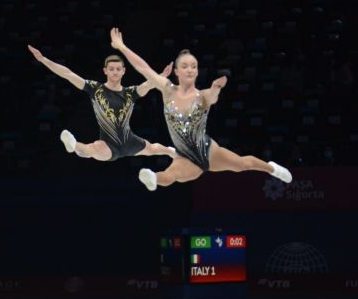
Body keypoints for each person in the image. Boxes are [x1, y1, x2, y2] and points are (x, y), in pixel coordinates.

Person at [108, 28, 292, 191]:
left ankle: (272, 168)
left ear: (196, 71)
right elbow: (144, 68)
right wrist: (122, 47)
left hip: (209, 150)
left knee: (243, 164)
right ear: (177, 72)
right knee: (170, 175)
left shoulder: (202, 95)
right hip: (185, 156)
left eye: (193, 66)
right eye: (185, 66)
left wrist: (215, 89)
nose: (190, 69)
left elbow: (212, 98)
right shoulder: (167, 89)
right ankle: (152, 178)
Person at [27, 45, 177, 161]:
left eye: (118, 69)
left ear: (124, 71)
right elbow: (68, 74)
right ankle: (74, 145)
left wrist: (162, 75)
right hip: (108, 144)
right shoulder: (95, 89)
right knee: (93, 149)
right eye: (111, 69)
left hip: (130, 141)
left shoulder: (131, 92)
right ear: (105, 70)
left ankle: (173, 152)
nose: (115, 72)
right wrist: (43, 60)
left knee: (155, 149)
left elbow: (149, 85)